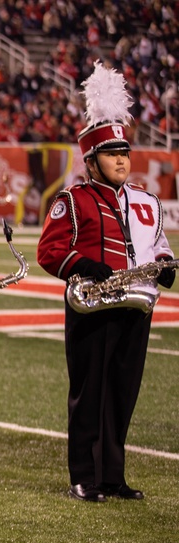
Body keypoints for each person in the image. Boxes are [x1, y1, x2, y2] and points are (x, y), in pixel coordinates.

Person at [37, 63, 174, 503]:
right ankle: (84, 475)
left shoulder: (147, 201)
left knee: (122, 393)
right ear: (91, 160)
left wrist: (166, 265)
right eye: (111, 153)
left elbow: (158, 245)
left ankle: (113, 475)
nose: (121, 159)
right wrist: (83, 264)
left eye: (125, 152)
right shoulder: (74, 200)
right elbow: (49, 252)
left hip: (137, 305)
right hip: (93, 308)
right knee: (89, 392)